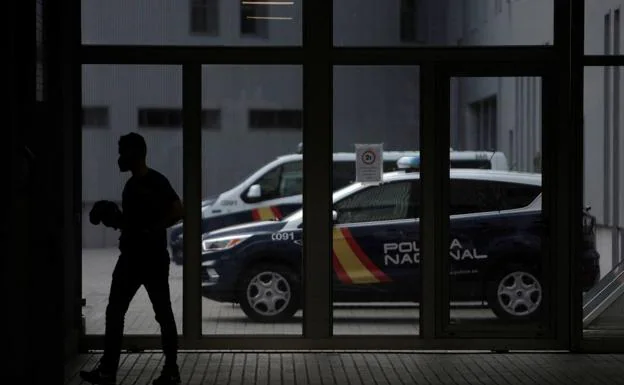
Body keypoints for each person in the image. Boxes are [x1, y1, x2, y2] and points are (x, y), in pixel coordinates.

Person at [80, 132, 184, 385]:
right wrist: (115, 220)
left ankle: (168, 371)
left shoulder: (156, 181)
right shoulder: (132, 186)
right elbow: (133, 223)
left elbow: (178, 211)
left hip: (148, 259)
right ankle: (109, 371)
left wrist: (154, 228)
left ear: (134, 153)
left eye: (122, 151)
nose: (118, 158)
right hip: (133, 259)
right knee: (119, 313)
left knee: (156, 314)